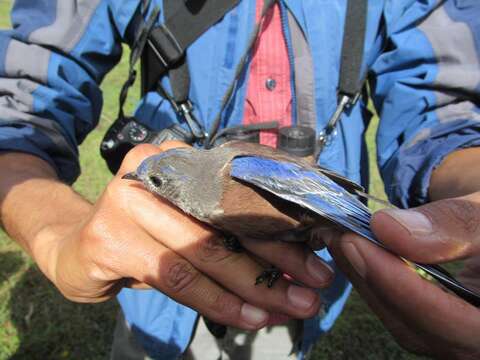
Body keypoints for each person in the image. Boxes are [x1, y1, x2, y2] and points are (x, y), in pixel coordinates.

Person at [0, 0, 479, 359]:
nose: (144, 185)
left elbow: (444, 115)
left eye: (159, 184)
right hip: (154, 296)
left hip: (305, 285)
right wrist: (58, 236)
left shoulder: (243, 171)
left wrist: (465, 208)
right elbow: (18, 113)